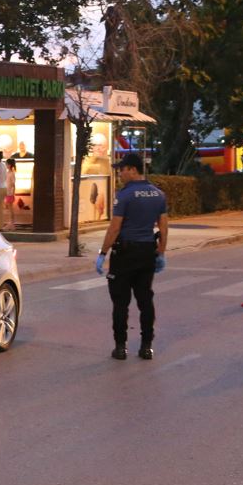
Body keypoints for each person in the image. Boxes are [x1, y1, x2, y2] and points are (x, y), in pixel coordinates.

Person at [95, 153, 168, 360]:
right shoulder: (158, 194)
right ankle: (146, 346)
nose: (120, 173)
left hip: (125, 254)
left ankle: (120, 347)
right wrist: (161, 252)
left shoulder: (124, 195)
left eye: (122, 169)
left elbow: (114, 228)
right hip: (147, 252)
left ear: (133, 170)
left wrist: (102, 253)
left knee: (120, 302)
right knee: (145, 300)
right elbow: (163, 226)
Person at [3, 157, 18, 230]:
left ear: (9, 165)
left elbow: (13, 184)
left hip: (9, 193)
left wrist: (12, 193)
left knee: (10, 209)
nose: (6, 165)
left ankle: (12, 224)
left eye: (6, 164)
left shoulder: (11, 173)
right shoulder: (8, 173)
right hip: (8, 193)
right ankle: (11, 223)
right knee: (9, 209)